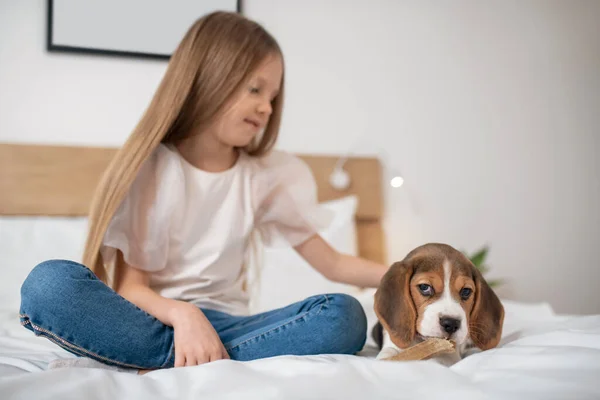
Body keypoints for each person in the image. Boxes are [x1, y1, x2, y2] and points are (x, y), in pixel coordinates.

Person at [19, 11, 388, 374]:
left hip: (231, 327)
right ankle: (187, 354)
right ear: (208, 78)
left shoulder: (264, 177)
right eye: (255, 89)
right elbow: (132, 289)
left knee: (343, 315)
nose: (267, 107)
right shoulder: (154, 169)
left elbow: (334, 264)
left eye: (273, 96)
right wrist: (184, 314)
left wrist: (414, 277)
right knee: (48, 285)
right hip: (154, 320)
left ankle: (166, 360)